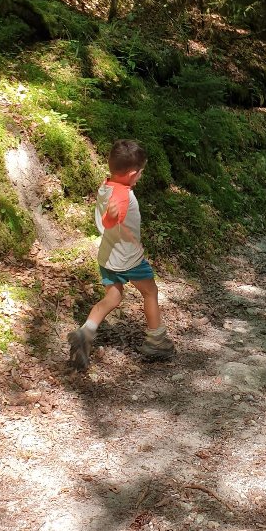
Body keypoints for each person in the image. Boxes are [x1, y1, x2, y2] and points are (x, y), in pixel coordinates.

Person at [68, 139, 175, 371]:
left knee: (114, 297)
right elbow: (110, 219)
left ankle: (85, 333)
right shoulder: (122, 197)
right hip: (127, 258)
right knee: (150, 291)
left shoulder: (107, 186)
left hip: (107, 256)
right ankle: (157, 340)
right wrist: (111, 216)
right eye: (140, 173)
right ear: (133, 173)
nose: (140, 177)